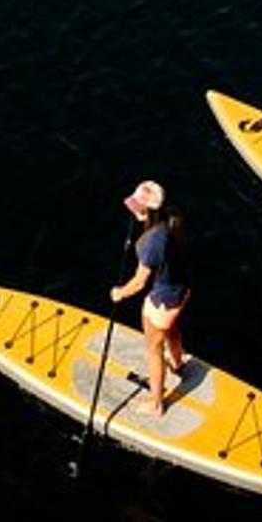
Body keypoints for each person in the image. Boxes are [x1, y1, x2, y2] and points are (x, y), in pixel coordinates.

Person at [108, 179, 190, 418]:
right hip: (181, 292)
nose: (133, 210)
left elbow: (139, 282)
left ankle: (157, 405)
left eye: (137, 207)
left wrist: (119, 293)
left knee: (153, 350)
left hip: (163, 302)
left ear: (148, 210)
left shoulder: (150, 243)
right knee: (171, 329)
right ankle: (177, 364)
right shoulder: (171, 221)